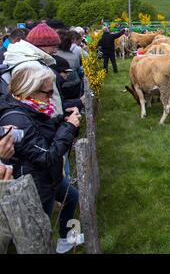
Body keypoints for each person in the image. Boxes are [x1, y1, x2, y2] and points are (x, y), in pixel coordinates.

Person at [0, 65, 82, 253]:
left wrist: (61, 120)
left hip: (46, 178)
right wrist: (68, 128)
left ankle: (67, 239)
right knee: (41, 228)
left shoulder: (28, 107)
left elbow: (41, 130)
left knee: (72, 196)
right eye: (49, 92)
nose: (51, 97)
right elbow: (46, 156)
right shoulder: (17, 119)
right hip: (35, 184)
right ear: (31, 90)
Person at [3, 22, 63, 115]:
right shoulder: (34, 67)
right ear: (41, 45)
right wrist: (58, 119)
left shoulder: (22, 58)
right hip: (43, 119)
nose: (55, 51)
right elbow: (39, 100)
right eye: (53, 46)